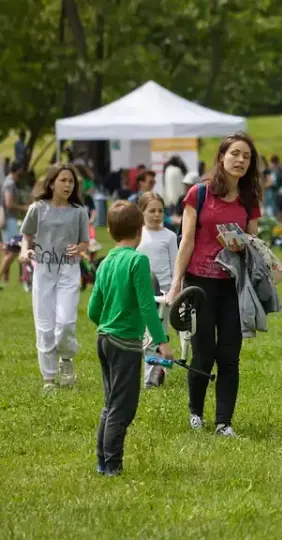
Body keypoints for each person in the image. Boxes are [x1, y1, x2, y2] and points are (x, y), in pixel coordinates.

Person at [165, 132, 263, 437]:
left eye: (246, 156)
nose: (240, 160)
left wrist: (243, 246)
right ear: (221, 157)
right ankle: (196, 412)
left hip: (233, 286)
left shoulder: (249, 199)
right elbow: (187, 241)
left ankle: (224, 422)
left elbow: (253, 242)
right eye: (235, 154)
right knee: (203, 352)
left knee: (229, 356)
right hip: (199, 285)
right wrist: (175, 285)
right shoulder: (199, 194)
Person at [87, 200, 174, 476]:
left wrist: (107, 323)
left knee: (110, 403)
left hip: (103, 338)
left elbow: (92, 310)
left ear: (110, 230)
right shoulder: (138, 261)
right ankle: (113, 465)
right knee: (123, 408)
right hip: (124, 343)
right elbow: (148, 306)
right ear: (139, 231)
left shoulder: (105, 262)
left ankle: (102, 462)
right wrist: (162, 341)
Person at [19, 164, 91, 389]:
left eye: (71, 181)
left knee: (66, 322)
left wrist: (79, 249)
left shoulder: (79, 211)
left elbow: (84, 243)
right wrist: (24, 251)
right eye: (63, 180)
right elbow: (26, 235)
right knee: (45, 326)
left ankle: (66, 358)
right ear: (51, 183)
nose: (68, 185)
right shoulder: (37, 208)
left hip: (69, 270)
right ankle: (49, 378)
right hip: (43, 270)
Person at [136, 193, 178, 387]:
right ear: (141, 212)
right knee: (142, 336)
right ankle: (154, 368)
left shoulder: (169, 236)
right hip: (139, 292)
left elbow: (174, 264)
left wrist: (173, 291)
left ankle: (152, 379)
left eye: (160, 211)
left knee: (157, 335)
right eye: (151, 210)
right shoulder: (137, 235)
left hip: (163, 295)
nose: (156, 214)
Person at [2, 162, 28, 286]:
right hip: (10, 220)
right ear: (17, 170)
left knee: (10, 251)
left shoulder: (9, 182)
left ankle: (5, 280)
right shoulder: (9, 183)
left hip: (10, 220)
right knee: (13, 250)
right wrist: (24, 208)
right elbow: (9, 204)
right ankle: (5, 278)